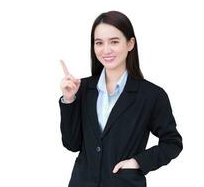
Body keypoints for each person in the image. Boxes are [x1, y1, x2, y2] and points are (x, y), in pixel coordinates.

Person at [59, 10, 183, 187]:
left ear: (130, 43)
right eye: (99, 43)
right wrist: (69, 100)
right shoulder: (82, 88)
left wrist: (138, 162)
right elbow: (72, 144)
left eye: (114, 42)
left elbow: (172, 143)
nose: (106, 50)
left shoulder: (151, 95)